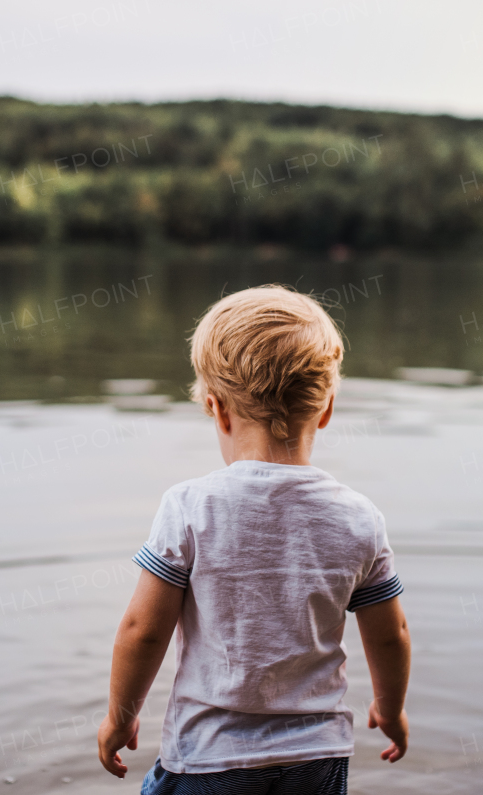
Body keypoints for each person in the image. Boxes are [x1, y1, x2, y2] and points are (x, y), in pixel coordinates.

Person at [97, 285, 410, 794]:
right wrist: (389, 709)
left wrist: (120, 715)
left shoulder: (191, 507)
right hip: (317, 756)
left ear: (218, 410)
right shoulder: (359, 518)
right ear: (327, 408)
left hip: (211, 756)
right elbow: (389, 634)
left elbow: (143, 631)